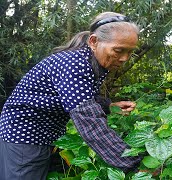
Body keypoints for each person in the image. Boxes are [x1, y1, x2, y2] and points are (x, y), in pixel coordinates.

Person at [0, 12, 142, 179]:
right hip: (25, 135)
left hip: (46, 134)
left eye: (130, 52)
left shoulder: (88, 60)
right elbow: (89, 122)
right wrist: (134, 163)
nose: (125, 58)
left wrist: (108, 106)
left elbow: (77, 97)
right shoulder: (75, 64)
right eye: (119, 50)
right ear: (94, 41)